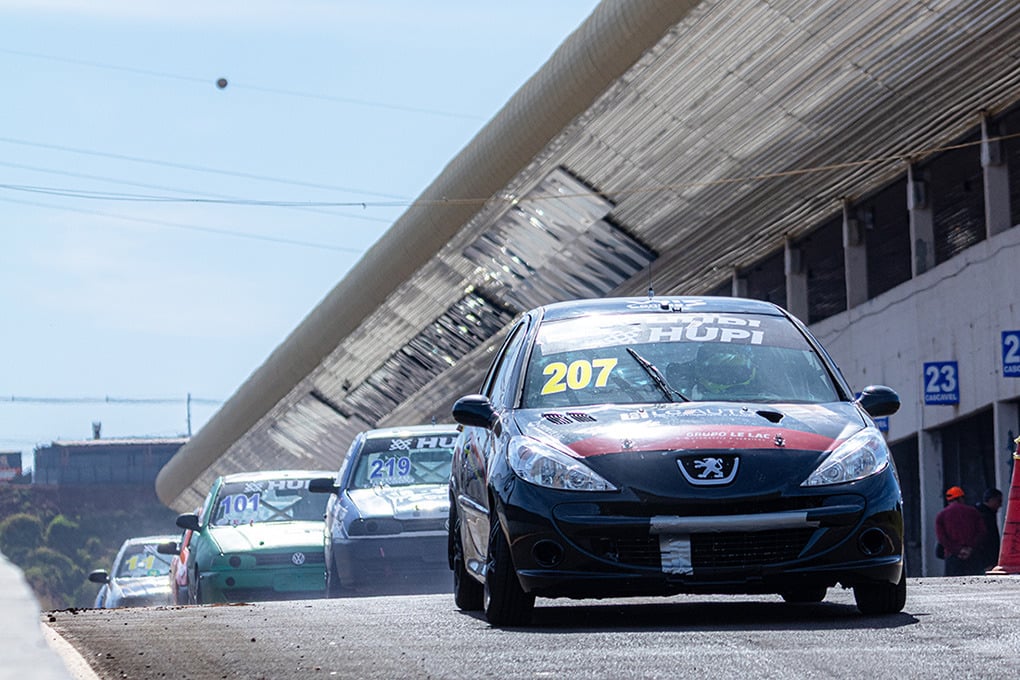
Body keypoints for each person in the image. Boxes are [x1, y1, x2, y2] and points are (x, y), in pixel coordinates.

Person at [935, 486, 987, 576]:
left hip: (952, 557)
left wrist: (957, 550)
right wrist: (970, 548)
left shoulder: (941, 515)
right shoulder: (973, 512)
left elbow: (942, 538)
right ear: (961, 498)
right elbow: (982, 532)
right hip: (972, 556)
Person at [973, 488, 1003, 571]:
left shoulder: (985, 514)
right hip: (986, 559)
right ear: (991, 500)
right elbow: (987, 538)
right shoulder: (985, 516)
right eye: (999, 501)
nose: (1000, 505)